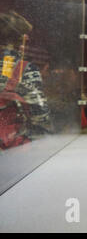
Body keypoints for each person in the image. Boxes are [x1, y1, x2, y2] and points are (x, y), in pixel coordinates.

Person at [0, 11, 52, 148]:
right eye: (24, 35)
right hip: (12, 150)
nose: (27, 38)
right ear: (18, 40)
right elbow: (41, 117)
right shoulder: (23, 69)